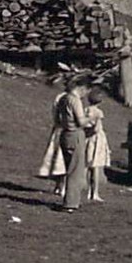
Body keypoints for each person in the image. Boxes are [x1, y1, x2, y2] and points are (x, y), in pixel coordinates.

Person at [52, 79, 88, 212]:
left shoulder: (63, 99)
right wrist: (92, 117)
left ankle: (71, 199)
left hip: (64, 134)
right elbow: (81, 121)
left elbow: (57, 119)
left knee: (69, 168)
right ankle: (70, 203)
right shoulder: (75, 100)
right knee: (75, 171)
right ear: (81, 87)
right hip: (75, 134)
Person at [82, 88, 109, 202]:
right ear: (100, 102)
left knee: (85, 165)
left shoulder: (85, 110)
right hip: (96, 140)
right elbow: (97, 128)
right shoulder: (98, 113)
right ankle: (94, 192)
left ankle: (80, 188)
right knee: (95, 166)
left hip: (86, 138)